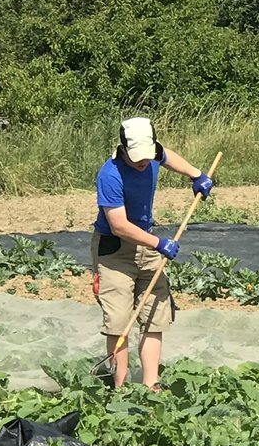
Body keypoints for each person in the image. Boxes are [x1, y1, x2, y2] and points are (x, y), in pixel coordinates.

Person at [91, 117, 213, 389]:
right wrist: (158, 243)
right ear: (122, 149)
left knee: (154, 312)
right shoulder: (110, 175)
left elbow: (168, 157)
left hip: (147, 243)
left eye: (147, 156)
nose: (143, 162)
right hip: (115, 250)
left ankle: (151, 386)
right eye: (136, 158)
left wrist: (196, 175)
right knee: (119, 320)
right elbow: (119, 225)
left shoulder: (153, 153)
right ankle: (119, 386)